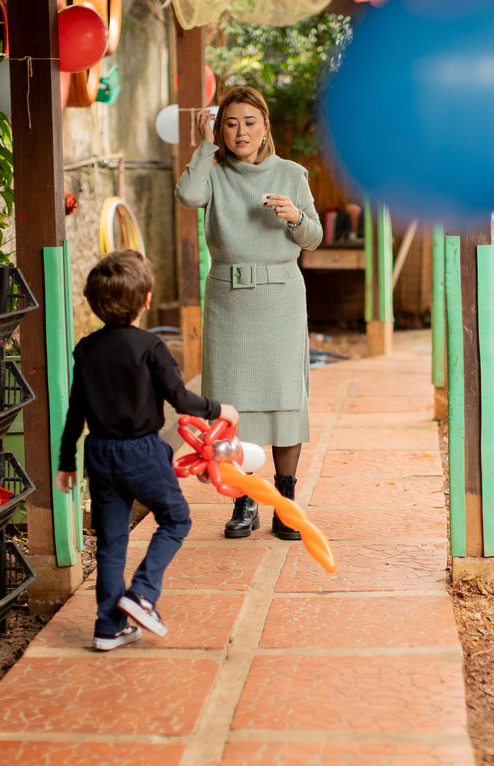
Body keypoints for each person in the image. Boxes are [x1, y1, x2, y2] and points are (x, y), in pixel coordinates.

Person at [54, 250, 239, 650]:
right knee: (175, 519)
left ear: (93, 301)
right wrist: (220, 409)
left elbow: (76, 411)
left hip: (99, 454)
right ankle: (141, 594)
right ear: (147, 299)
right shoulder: (151, 347)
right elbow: (180, 398)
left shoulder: (86, 350)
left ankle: (108, 627)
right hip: (142, 453)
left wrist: (66, 462)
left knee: (111, 542)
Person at [175, 86, 323, 541]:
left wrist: (295, 217)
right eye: (231, 123)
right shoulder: (213, 171)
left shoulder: (292, 174)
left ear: (265, 129)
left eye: (250, 122)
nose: (241, 131)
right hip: (228, 300)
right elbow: (188, 195)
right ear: (221, 129)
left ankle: (285, 502)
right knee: (232, 405)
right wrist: (202, 146)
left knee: (284, 398)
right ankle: (244, 500)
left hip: (280, 300)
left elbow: (314, 238)